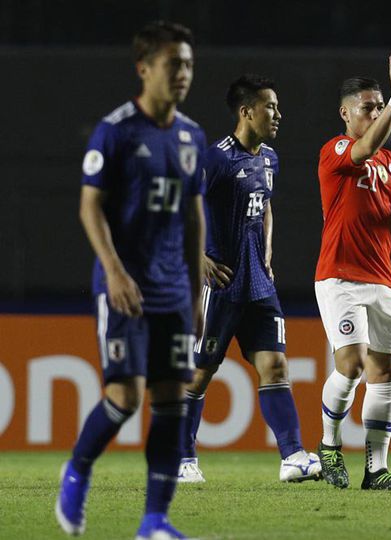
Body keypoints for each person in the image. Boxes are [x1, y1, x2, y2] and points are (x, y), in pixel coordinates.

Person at [56, 21, 206, 539]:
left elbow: (193, 217)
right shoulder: (115, 130)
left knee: (170, 401)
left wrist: (195, 292)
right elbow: (89, 207)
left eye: (187, 63)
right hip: (125, 286)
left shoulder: (191, 135)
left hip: (171, 290)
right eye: (173, 64)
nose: (183, 73)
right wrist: (115, 271)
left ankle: (154, 522)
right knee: (126, 398)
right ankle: (76, 470)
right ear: (145, 69)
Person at [176, 74, 320, 485]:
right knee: (200, 373)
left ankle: (292, 455)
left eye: (276, 107)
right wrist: (199, 257)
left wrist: (268, 249)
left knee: (275, 365)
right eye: (270, 106)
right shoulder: (217, 159)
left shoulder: (269, 158)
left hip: (259, 283)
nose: (278, 114)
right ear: (246, 112)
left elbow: (265, 205)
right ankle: (182, 458)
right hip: (221, 284)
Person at [314, 55, 391, 490]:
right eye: (367, 107)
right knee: (352, 364)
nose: (373, 113)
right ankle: (329, 444)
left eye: (378, 107)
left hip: (383, 280)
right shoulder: (336, 151)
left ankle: (376, 469)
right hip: (339, 277)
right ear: (345, 113)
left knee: (384, 374)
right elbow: (365, 148)